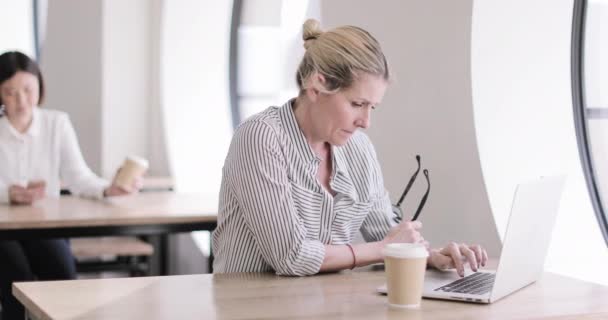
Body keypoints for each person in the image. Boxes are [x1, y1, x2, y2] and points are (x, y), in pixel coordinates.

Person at [212, 19, 488, 276]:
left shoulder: (359, 149)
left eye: (373, 107)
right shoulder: (260, 137)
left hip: (323, 307)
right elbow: (291, 256)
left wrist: (431, 256)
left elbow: (387, 234)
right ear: (317, 86)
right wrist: (383, 249)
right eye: (357, 104)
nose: (366, 122)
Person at [0, 51, 141, 319]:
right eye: (10, 92)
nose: (21, 100)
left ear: (40, 86)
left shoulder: (57, 123)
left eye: (28, 89)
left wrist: (107, 189)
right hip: (3, 230)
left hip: (44, 226)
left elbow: (79, 177)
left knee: (64, 276)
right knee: (15, 277)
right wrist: (8, 194)